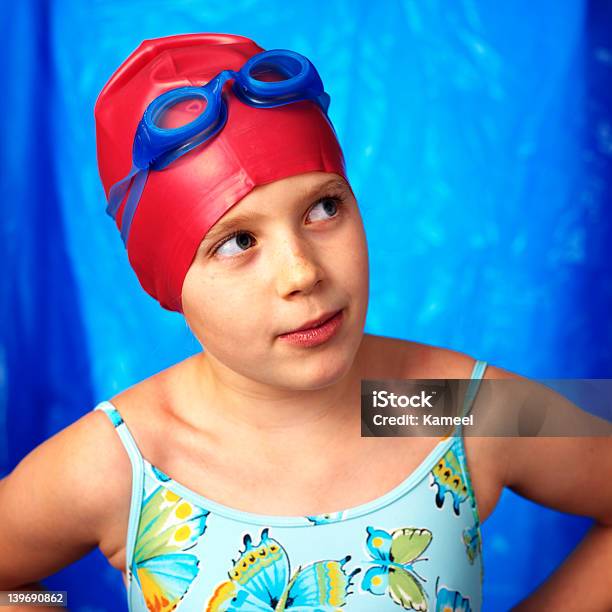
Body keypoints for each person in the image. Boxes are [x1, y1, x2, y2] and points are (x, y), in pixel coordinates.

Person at [1, 33, 611, 612]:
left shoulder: (437, 404)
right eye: (237, 241)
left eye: (324, 207)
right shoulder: (132, 457)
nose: (302, 272)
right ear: (168, 284)